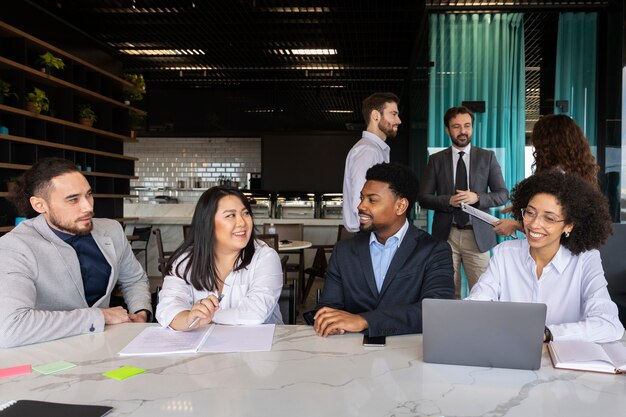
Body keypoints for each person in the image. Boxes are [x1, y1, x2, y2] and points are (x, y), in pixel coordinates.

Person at [0, 158, 152, 348]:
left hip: (106, 347)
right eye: (73, 199)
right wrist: (100, 316)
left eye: (88, 195)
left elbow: (134, 279)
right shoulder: (14, 247)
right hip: (47, 354)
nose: (88, 207)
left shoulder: (111, 230)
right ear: (40, 205)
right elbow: (10, 328)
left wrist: (141, 311)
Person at [468, 171, 624, 343]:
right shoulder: (505, 254)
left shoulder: (585, 260)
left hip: (565, 361)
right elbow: (477, 303)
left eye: (549, 218)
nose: (534, 224)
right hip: (511, 355)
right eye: (530, 212)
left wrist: (547, 333)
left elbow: (609, 324)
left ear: (569, 226)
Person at [314, 162, 454, 337]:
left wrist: (364, 320)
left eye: (372, 200)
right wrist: (332, 321)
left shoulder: (434, 251)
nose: (361, 206)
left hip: (409, 352)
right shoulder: (343, 251)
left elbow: (436, 310)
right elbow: (328, 307)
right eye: (361, 198)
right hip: (351, 352)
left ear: (400, 206)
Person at [156, 186, 283, 330]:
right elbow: (168, 306)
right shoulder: (186, 261)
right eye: (230, 215)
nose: (242, 223)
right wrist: (188, 318)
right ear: (207, 222)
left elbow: (255, 313)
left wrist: (204, 317)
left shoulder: (265, 257)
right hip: (204, 349)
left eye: (246, 213)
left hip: (259, 348)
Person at [418, 106, 508, 298]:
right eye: (457, 126)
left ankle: (482, 329)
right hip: (446, 236)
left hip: (477, 237)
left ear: (472, 128)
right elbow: (423, 197)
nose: (463, 131)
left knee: (484, 295)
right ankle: (450, 329)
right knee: (448, 294)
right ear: (447, 130)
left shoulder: (487, 157)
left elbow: (502, 195)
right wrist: (448, 200)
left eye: (467, 126)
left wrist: (478, 197)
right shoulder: (436, 160)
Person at [494, 114, 600, 237]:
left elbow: (553, 228)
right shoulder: (578, 173)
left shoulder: (557, 178)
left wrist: (514, 225)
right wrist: (530, 205)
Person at [342, 92, 401, 232]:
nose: (398, 120)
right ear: (376, 115)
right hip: (368, 232)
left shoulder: (374, 149)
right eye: (393, 114)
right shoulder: (368, 151)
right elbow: (361, 200)